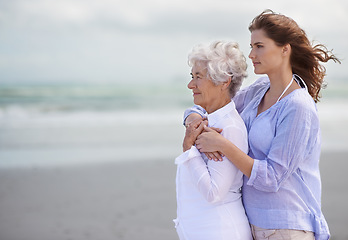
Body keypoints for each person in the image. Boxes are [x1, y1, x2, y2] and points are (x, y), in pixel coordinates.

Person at [184, 10, 340, 240]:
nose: (251, 54)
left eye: (259, 46)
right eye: (251, 46)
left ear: (284, 49)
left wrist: (224, 145)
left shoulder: (298, 106)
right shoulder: (259, 90)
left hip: (287, 228)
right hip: (251, 223)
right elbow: (215, 105)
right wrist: (193, 118)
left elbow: (271, 178)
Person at [174, 41, 252, 240]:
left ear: (224, 81)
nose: (190, 85)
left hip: (221, 231)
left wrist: (188, 149)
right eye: (192, 77)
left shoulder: (230, 127)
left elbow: (214, 192)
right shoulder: (209, 120)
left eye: (198, 77)